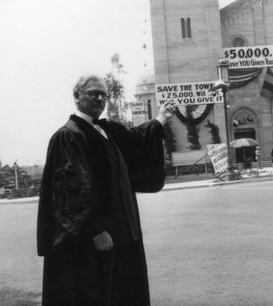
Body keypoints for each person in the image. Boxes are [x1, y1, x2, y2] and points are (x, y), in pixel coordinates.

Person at [37, 74, 174, 306]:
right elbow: (70, 190)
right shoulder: (69, 136)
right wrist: (94, 231)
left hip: (120, 233)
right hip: (93, 239)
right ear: (77, 97)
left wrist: (160, 119)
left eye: (104, 94)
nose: (100, 98)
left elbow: (137, 139)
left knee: (118, 291)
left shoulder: (107, 131)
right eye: (93, 93)